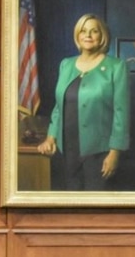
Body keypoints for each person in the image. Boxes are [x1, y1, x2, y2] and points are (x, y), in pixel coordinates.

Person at [37, 13, 130, 191]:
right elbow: (59, 107)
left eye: (94, 31)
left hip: (99, 152)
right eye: (84, 31)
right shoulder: (66, 64)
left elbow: (122, 113)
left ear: (102, 36)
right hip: (67, 150)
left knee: (95, 210)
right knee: (70, 205)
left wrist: (115, 153)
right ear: (78, 35)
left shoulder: (116, 67)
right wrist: (50, 137)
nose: (88, 35)